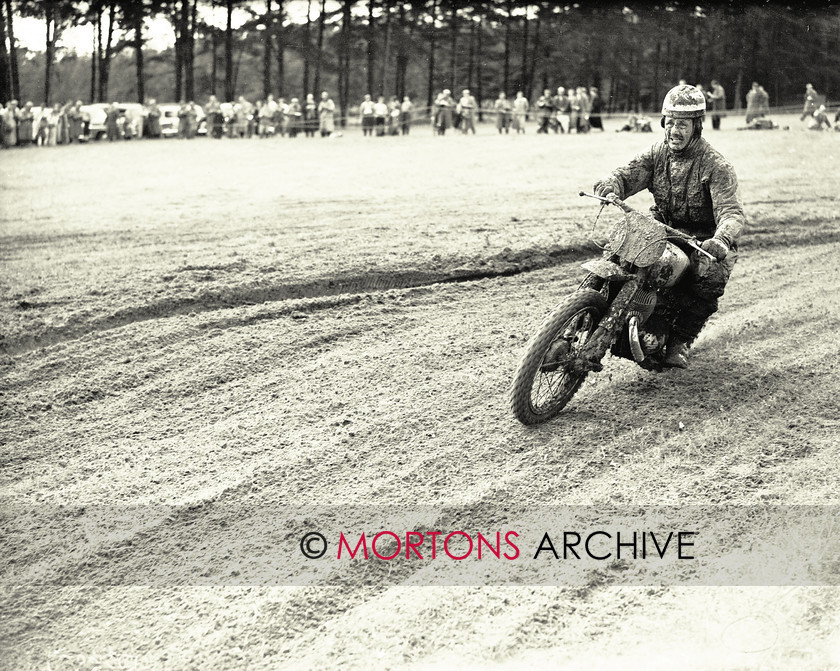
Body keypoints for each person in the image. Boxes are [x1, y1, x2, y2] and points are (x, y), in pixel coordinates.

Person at [592, 84, 745, 369]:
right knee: (616, 253)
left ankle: (679, 341)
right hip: (661, 227)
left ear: (697, 126)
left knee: (707, 279)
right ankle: (586, 311)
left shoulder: (716, 165)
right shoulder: (657, 153)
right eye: (670, 122)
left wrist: (722, 239)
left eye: (683, 124)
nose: (674, 131)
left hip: (702, 239)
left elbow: (732, 212)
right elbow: (629, 174)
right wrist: (611, 184)